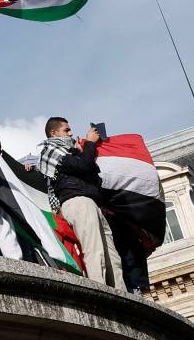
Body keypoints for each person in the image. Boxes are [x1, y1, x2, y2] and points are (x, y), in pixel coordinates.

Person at [36, 118, 121, 289]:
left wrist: (83, 151)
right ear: (54, 133)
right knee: (94, 250)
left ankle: (122, 294)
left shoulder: (72, 151)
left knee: (112, 256)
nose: (71, 133)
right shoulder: (51, 151)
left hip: (91, 202)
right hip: (77, 202)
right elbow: (83, 166)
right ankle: (101, 292)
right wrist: (89, 144)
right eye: (66, 130)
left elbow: (91, 173)